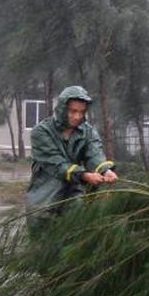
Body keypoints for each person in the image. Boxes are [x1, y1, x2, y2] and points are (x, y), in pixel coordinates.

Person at [26, 86, 117, 229]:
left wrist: (105, 170)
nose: (77, 116)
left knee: (77, 232)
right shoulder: (41, 132)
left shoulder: (88, 131)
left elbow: (94, 154)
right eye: (73, 111)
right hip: (45, 197)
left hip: (75, 195)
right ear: (63, 109)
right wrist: (84, 175)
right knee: (42, 240)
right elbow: (56, 164)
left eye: (81, 112)